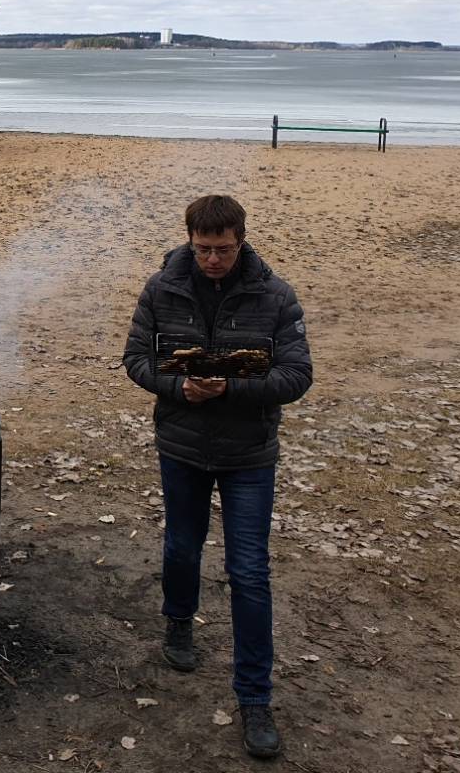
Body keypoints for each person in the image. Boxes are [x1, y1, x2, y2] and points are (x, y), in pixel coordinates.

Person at [121, 195, 312, 761]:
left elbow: (298, 374)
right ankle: (179, 621)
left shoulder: (275, 296)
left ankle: (255, 698)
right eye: (203, 249)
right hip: (182, 445)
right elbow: (136, 359)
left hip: (249, 453)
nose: (212, 260)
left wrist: (233, 387)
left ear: (241, 241)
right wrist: (179, 387)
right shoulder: (161, 289)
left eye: (223, 250)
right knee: (182, 546)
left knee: (249, 571)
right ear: (189, 240)